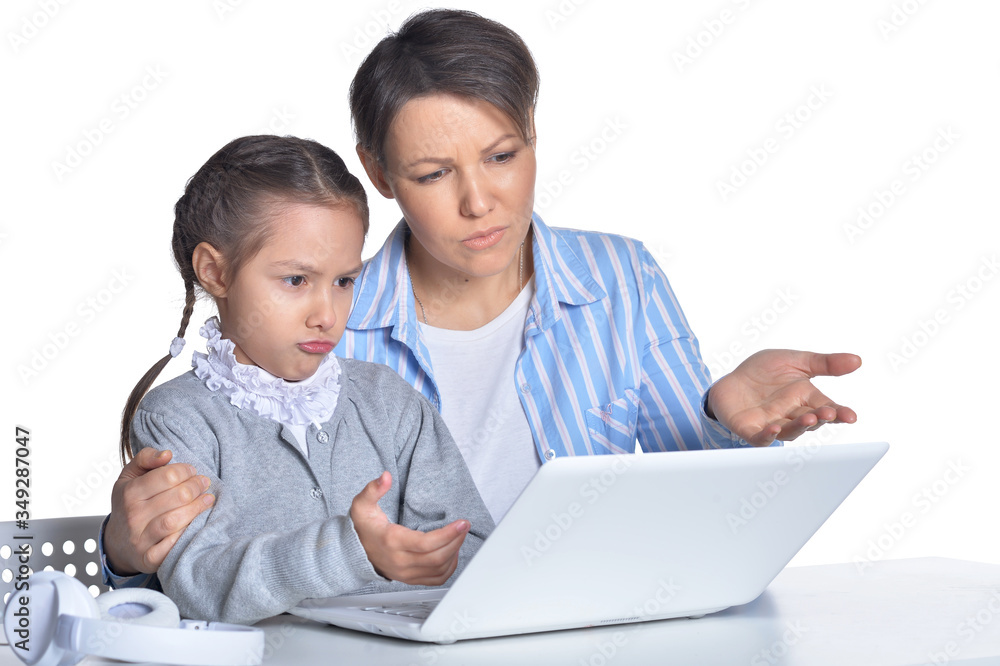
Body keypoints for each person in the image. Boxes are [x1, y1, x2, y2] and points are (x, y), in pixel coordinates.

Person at [102, 9, 860, 590]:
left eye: (502, 156)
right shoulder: (323, 335)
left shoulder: (621, 280)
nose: (479, 202)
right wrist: (124, 553)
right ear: (380, 174)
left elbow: (691, 511)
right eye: (433, 174)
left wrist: (719, 417)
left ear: (532, 132)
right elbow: (212, 559)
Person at [115, 134, 493, 624]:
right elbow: (198, 586)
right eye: (296, 280)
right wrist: (351, 549)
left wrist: (435, 559)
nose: (326, 314)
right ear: (215, 272)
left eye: (343, 281)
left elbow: (475, 545)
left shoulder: (390, 402)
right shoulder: (179, 419)